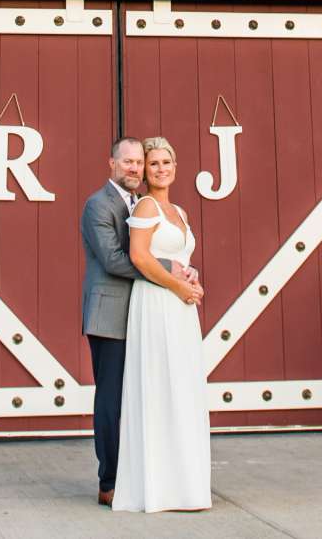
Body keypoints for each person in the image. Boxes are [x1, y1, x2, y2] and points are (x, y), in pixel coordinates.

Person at [114, 135, 211, 513]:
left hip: (181, 308)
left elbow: (180, 258)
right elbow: (139, 257)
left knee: (183, 387)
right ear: (146, 170)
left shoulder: (181, 213)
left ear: (175, 166)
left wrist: (193, 282)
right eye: (152, 164)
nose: (159, 169)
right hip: (155, 303)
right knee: (159, 385)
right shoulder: (146, 207)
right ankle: (157, 488)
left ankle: (186, 486)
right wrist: (177, 288)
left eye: (165, 162)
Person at [79, 137, 145, 506]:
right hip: (107, 315)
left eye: (139, 162)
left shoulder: (142, 204)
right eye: (127, 162)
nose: (134, 168)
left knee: (136, 396)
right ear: (111, 164)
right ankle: (109, 481)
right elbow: (113, 260)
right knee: (111, 400)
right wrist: (165, 272)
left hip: (139, 313)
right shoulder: (97, 205)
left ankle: (135, 472)